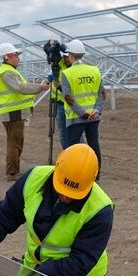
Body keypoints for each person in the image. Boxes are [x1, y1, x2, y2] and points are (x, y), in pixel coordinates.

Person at [0, 143, 114, 276]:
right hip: (36, 271)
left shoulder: (100, 210)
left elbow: (81, 261)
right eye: (62, 190)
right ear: (56, 169)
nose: (66, 197)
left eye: (73, 194)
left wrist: (40, 274)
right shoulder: (33, 179)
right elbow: (6, 215)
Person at [0, 42, 50, 181]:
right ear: (7, 56)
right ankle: (12, 173)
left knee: (15, 142)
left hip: (15, 112)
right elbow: (20, 88)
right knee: (15, 143)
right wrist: (40, 87)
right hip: (13, 112)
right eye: (16, 55)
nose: (18, 58)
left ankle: (13, 170)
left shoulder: (10, 70)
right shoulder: (7, 72)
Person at [59, 40, 106, 178]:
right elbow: (101, 94)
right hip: (94, 117)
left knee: (72, 148)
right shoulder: (94, 70)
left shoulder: (67, 73)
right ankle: (95, 174)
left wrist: (82, 114)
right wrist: (96, 110)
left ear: (70, 55)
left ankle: (72, 175)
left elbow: (68, 97)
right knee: (93, 145)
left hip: (76, 118)